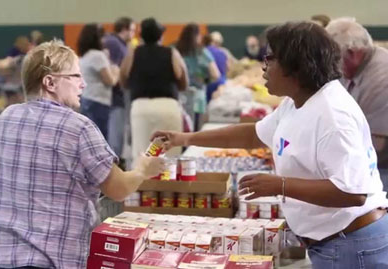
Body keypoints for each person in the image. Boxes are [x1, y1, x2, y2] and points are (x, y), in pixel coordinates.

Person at [152, 22, 388, 268]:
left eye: (270, 58)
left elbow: (352, 192)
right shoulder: (298, 101)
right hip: (332, 243)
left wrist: (281, 185)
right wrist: (185, 138)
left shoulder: (333, 115)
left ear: (296, 65)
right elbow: (253, 135)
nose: (264, 67)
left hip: (353, 247)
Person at [0, 40, 164, 268]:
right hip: (52, 260)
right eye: (76, 77)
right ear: (50, 82)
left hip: (2, 259)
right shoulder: (78, 128)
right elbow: (118, 189)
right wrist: (142, 170)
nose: (83, 84)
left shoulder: (4, 119)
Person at [326, 18, 388, 193]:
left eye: (335, 58)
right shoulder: (353, 69)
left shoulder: (381, 78)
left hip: (381, 165)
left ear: (353, 53)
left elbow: (376, 146)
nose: (332, 64)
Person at [120, 17, 188, 163]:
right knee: (170, 156)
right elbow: (184, 82)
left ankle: (141, 185)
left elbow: (123, 80)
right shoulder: (171, 53)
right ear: (161, 35)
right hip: (168, 106)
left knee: (142, 155)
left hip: (141, 107)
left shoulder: (133, 53)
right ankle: (170, 185)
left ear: (141, 35)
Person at [78, 24, 120, 140]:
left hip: (87, 99)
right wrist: (116, 70)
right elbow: (110, 80)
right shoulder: (98, 56)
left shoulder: (85, 55)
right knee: (100, 139)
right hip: (98, 103)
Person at [103, 17, 136, 160]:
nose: (134, 34)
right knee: (115, 140)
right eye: (133, 30)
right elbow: (113, 69)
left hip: (120, 97)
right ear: (124, 29)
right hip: (114, 98)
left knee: (118, 138)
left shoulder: (122, 45)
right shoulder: (113, 43)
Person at [176, 23, 220, 130]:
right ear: (197, 36)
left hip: (179, 96)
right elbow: (216, 74)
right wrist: (204, 80)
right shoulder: (202, 52)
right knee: (195, 132)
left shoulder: (176, 50)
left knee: (179, 129)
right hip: (197, 97)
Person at [203, 34, 228, 103]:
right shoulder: (223, 53)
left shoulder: (203, 52)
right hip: (221, 84)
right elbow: (227, 68)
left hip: (208, 84)